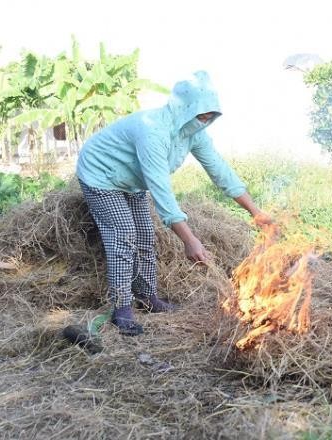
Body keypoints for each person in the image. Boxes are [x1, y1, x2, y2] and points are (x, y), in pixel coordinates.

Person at [76, 71, 271, 336]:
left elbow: (219, 171)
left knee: (145, 235)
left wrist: (256, 213)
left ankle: (147, 297)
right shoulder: (153, 131)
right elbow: (161, 191)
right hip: (101, 174)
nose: (205, 121)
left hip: (131, 179)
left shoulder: (195, 133)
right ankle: (121, 309)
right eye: (201, 115)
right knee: (124, 233)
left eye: (210, 117)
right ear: (185, 109)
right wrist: (189, 240)